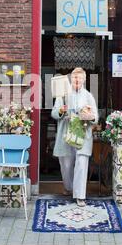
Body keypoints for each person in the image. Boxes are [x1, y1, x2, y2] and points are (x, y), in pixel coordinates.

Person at [51, 67, 98, 207]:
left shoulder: (89, 96)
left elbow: (95, 118)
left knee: (82, 164)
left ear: (84, 80)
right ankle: (69, 187)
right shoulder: (63, 95)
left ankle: (80, 196)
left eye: (79, 78)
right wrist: (61, 111)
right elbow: (54, 113)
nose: (77, 81)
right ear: (71, 79)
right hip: (66, 135)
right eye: (74, 78)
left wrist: (89, 116)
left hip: (83, 135)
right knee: (65, 164)